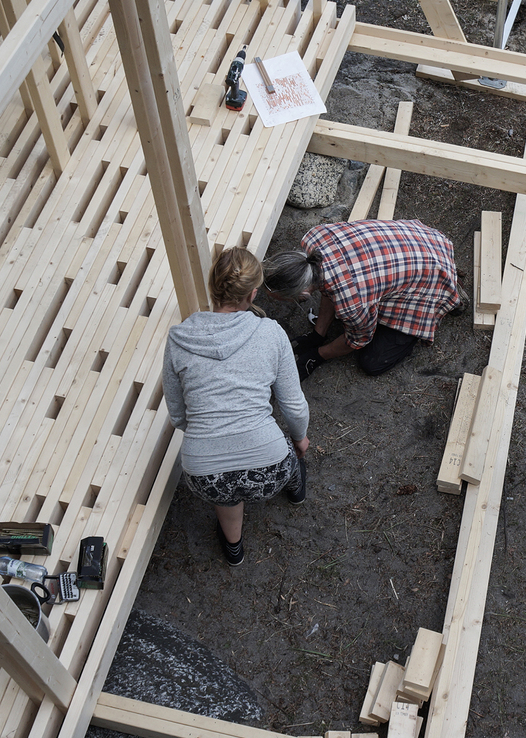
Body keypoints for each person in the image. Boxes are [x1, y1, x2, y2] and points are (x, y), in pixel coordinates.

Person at [162, 247, 309, 567]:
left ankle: (234, 549)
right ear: (253, 293)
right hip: (270, 469)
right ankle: (296, 491)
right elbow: (293, 406)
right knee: (290, 451)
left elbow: (178, 415)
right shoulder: (271, 332)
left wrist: (212, 435)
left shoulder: (179, 338)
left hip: (204, 475)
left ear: (212, 286)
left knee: (226, 493)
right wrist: (300, 438)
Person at [263, 219, 465, 379]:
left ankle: (450, 289)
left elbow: (358, 340)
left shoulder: (352, 301)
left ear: (304, 295)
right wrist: (318, 335)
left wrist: (318, 355)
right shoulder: (317, 238)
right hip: (422, 240)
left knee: (372, 363)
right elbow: (328, 286)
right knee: (354, 301)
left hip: (431, 282)